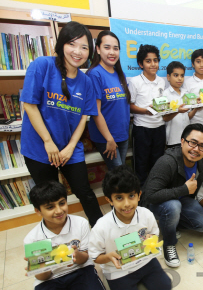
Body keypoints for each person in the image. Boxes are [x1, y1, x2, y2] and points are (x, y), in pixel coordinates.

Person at [20, 21, 102, 226]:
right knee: (50, 198)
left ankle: (101, 230)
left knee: (85, 192)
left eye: (84, 47)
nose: (78, 51)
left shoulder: (87, 81)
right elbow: (29, 105)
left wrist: (70, 147)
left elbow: (83, 117)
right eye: (72, 44)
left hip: (69, 147)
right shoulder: (42, 65)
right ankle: (60, 236)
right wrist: (48, 142)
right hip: (40, 147)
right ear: (62, 44)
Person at [24, 181, 115, 290]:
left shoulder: (80, 223)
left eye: (62, 203)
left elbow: (85, 258)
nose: (59, 211)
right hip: (51, 280)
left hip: (79, 271)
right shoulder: (32, 239)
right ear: (38, 211)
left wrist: (77, 255)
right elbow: (42, 277)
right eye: (50, 207)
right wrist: (41, 268)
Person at [88, 166, 172, 290]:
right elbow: (95, 256)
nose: (127, 204)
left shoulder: (146, 214)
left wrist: (150, 240)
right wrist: (107, 257)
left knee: (164, 289)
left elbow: (153, 234)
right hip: (119, 270)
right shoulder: (101, 227)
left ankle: (143, 278)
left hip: (144, 261)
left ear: (139, 195)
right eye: (119, 198)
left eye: (131, 196)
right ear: (109, 200)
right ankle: (127, 284)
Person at [142, 124, 203, 267]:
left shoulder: (200, 163)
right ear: (182, 141)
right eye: (193, 143)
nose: (196, 149)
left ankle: (171, 222)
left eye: (202, 146)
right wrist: (184, 190)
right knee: (173, 206)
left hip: (182, 200)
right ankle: (169, 243)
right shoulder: (167, 162)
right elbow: (150, 195)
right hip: (157, 204)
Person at [87, 30, 131, 171]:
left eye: (115, 48)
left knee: (120, 172)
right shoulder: (95, 74)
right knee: (118, 174)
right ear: (98, 49)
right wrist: (109, 139)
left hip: (122, 134)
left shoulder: (120, 73)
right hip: (107, 137)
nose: (112, 52)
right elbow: (96, 111)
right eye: (107, 47)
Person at [129, 44, 166, 185]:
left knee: (157, 163)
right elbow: (130, 106)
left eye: (155, 60)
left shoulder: (162, 81)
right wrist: (145, 111)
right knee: (141, 164)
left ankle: (155, 192)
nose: (153, 64)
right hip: (142, 129)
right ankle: (142, 196)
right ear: (141, 64)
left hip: (160, 128)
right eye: (148, 61)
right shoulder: (135, 82)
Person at [163, 61, 198, 148]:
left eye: (182, 75)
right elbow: (165, 118)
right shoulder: (165, 94)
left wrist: (197, 107)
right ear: (168, 77)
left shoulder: (186, 93)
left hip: (187, 138)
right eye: (176, 75)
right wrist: (177, 111)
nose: (180, 78)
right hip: (172, 139)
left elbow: (188, 116)